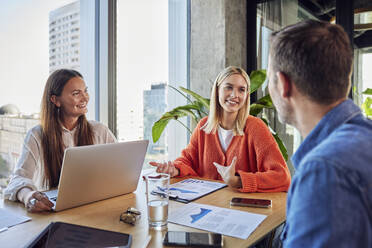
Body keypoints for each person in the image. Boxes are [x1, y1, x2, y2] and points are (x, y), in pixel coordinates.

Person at [267, 20, 372, 247]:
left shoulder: (325, 170)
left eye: (269, 79)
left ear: (284, 85)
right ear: (346, 80)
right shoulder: (363, 139)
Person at [150, 66, 291, 192]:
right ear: (217, 90)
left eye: (241, 90)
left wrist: (238, 181)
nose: (234, 95)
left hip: (242, 211)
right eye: (228, 87)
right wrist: (174, 169)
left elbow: (282, 176)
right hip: (209, 207)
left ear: (246, 96)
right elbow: (187, 161)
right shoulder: (203, 127)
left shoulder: (256, 127)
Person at [4, 69, 116, 212]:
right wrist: (29, 196)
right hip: (51, 212)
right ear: (55, 100)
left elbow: (121, 168)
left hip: (93, 207)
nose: (85, 98)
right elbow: (18, 180)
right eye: (76, 93)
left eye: (85, 91)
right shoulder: (37, 135)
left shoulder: (100, 130)